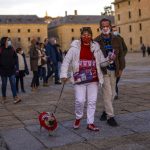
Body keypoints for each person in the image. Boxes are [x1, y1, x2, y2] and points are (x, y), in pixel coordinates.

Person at [60, 27, 113, 131]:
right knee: (80, 100)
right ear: (81, 35)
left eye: (88, 35)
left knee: (92, 101)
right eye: (84, 34)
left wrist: (109, 59)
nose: (86, 37)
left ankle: (90, 122)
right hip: (79, 78)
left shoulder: (96, 46)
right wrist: (63, 74)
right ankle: (78, 117)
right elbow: (66, 61)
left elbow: (102, 62)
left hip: (93, 78)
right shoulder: (74, 47)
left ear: (91, 35)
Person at [95, 18, 125, 127]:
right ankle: (110, 117)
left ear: (110, 27)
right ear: (100, 27)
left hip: (114, 69)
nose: (105, 28)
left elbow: (121, 55)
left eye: (107, 26)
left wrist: (121, 69)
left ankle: (105, 111)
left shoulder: (117, 39)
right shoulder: (96, 41)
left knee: (113, 94)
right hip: (104, 71)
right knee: (108, 93)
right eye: (103, 26)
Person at [0, 37, 21, 104]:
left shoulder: (12, 49)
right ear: (4, 41)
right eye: (8, 40)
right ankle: (4, 97)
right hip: (3, 70)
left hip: (11, 69)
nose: (9, 41)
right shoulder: (0, 49)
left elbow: (16, 58)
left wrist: (16, 67)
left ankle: (15, 97)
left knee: (13, 84)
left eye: (9, 40)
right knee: (4, 84)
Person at [112, 25, 128, 99]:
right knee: (113, 79)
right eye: (113, 30)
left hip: (119, 62)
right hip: (111, 61)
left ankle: (114, 92)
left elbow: (125, 49)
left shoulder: (120, 38)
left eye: (116, 30)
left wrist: (121, 55)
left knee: (117, 78)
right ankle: (115, 93)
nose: (115, 31)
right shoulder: (108, 39)